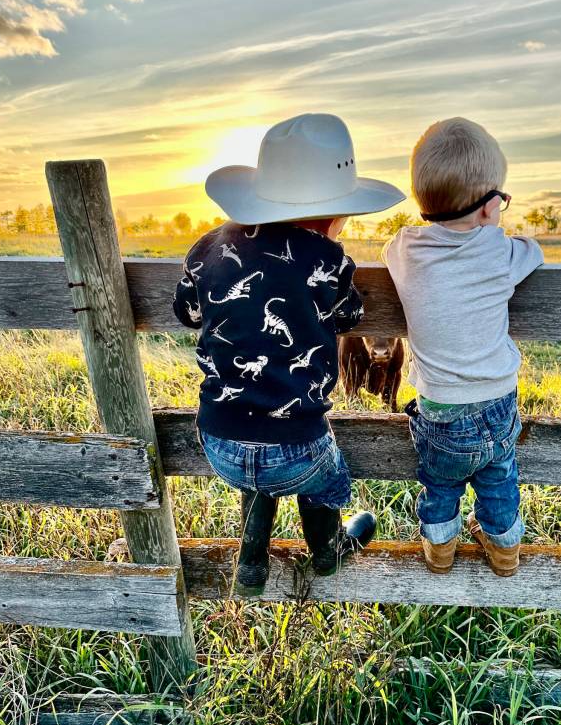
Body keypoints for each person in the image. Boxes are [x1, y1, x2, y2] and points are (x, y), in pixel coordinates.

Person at [173, 113, 405, 594]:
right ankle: (327, 551)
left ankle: (251, 562)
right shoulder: (329, 259)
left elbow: (188, 312)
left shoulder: (208, 247)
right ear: (334, 218)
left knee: (260, 466)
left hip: (219, 438)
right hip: (299, 446)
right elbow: (349, 317)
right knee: (322, 474)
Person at [384, 117, 543, 576]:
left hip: (439, 407)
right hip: (498, 401)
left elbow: (388, 250)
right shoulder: (499, 253)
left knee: (439, 483)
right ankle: (505, 551)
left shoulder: (405, 250)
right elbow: (534, 251)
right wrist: (495, 230)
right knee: (499, 480)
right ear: (491, 208)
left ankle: (439, 550)